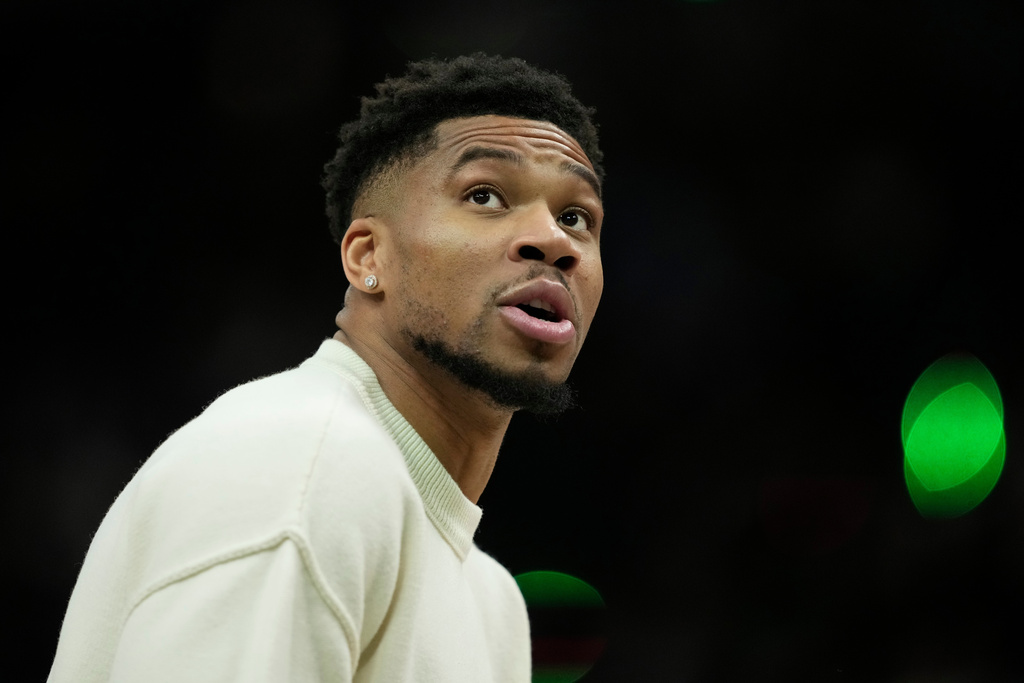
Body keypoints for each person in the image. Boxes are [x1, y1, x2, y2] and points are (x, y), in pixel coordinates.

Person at [48, 53, 605, 682]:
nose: (553, 240)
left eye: (575, 216)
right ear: (370, 255)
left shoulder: (493, 602)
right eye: (485, 195)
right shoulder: (306, 460)